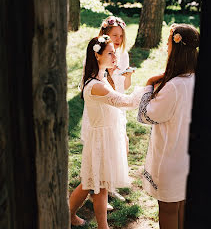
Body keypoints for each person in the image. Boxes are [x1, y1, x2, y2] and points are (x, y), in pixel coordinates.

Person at [69, 35, 146, 228]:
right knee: (99, 186)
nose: (115, 56)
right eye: (110, 53)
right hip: (100, 140)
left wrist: (111, 72)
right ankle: (103, 227)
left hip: (105, 137)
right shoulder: (96, 86)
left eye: (114, 53)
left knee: (90, 183)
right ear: (97, 55)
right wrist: (148, 87)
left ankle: (68, 214)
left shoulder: (99, 78)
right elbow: (127, 102)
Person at [137, 23, 200, 229]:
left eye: (168, 43)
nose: (166, 47)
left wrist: (149, 84)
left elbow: (147, 116)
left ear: (177, 47)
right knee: (182, 207)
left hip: (171, 160)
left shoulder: (174, 87)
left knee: (168, 210)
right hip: (189, 159)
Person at [81, 16, 135, 207]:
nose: (118, 39)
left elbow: (124, 88)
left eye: (121, 35)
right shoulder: (97, 62)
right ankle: (97, 190)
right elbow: (104, 90)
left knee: (121, 146)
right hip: (103, 107)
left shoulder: (122, 54)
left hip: (116, 104)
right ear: (105, 35)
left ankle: (107, 188)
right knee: (98, 155)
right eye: (114, 35)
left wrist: (126, 76)